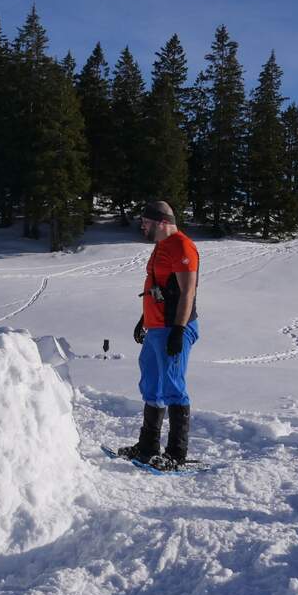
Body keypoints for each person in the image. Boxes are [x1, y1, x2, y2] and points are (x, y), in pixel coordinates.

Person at [117, 201, 200, 471]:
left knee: (173, 386)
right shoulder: (160, 247)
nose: (142, 226)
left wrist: (178, 330)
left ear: (162, 222)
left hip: (174, 327)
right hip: (156, 327)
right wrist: (145, 318)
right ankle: (147, 447)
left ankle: (177, 454)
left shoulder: (182, 246)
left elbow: (188, 292)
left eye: (146, 222)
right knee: (151, 384)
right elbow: (157, 285)